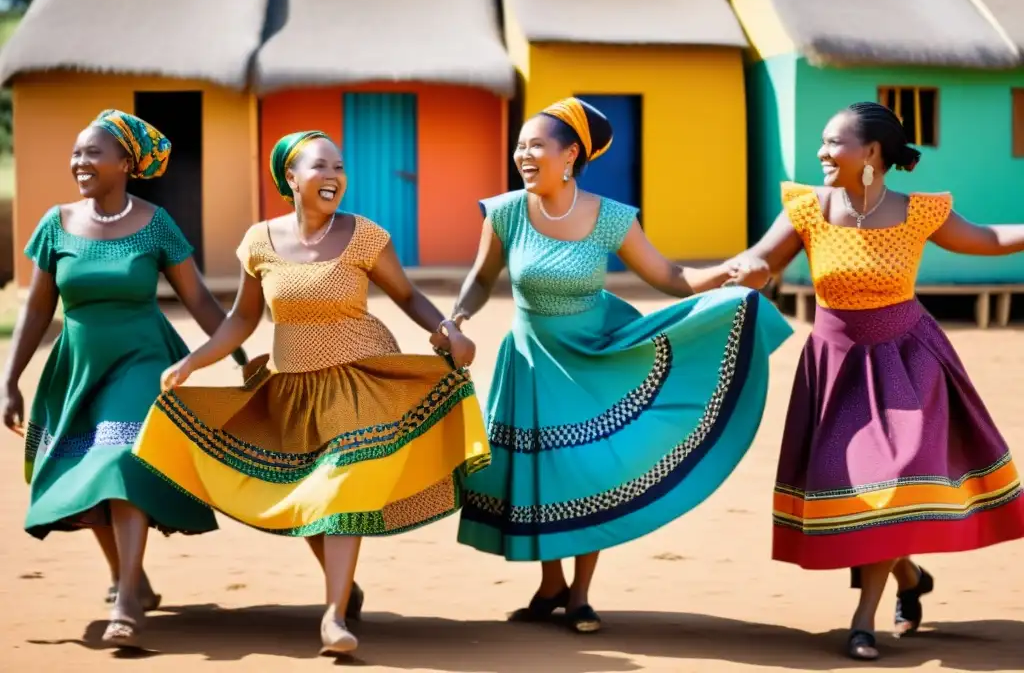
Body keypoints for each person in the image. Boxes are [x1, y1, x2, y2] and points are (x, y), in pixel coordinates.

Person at [134, 130, 490, 656]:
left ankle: (332, 617)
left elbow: (409, 295)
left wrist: (449, 331)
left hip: (360, 379)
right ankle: (343, 586)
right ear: (291, 179)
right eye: (320, 167)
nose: (333, 176)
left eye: (339, 167)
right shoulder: (259, 241)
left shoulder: (365, 235)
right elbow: (241, 320)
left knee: (340, 489)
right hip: (292, 390)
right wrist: (193, 360)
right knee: (307, 495)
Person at [451, 97, 793, 633]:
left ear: (570, 156)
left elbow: (671, 277)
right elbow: (481, 276)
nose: (523, 154)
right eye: (519, 146)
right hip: (531, 359)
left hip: (596, 353)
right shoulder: (506, 212)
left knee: (591, 466)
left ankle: (581, 594)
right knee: (544, 469)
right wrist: (458, 316)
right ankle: (551, 585)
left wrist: (730, 271)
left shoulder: (610, 217)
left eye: (536, 145)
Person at [733, 101, 1024, 661]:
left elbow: (986, 240)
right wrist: (751, 269)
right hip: (837, 369)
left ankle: (863, 619)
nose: (821, 151)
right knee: (858, 491)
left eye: (833, 142)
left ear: (870, 153)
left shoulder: (918, 212)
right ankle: (909, 577)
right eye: (821, 141)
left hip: (909, 364)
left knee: (892, 477)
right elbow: (763, 259)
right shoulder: (809, 208)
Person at [0, 109, 247, 647]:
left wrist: (242, 356)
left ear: (125, 163)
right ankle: (128, 575)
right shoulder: (56, 223)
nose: (79, 162)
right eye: (76, 153)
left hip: (143, 364)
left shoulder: (156, 223)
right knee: (89, 474)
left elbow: (199, 299)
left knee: (118, 459)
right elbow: (38, 309)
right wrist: (9, 377)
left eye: (92, 153)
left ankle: (128, 599)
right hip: (77, 369)